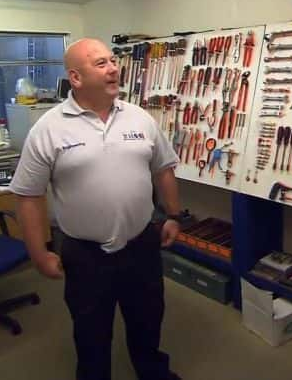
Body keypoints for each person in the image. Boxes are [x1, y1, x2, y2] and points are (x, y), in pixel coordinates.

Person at [11, 38, 183, 380]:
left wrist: (174, 215)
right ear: (75, 78)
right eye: (101, 63)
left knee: (148, 321)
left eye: (112, 61)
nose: (114, 68)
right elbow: (28, 196)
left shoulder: (139, 117)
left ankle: (151, 371)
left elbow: (163, 168)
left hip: (141, 246)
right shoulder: (47, 129)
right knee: (91, 335)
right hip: (86, 256)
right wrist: (38, 253)